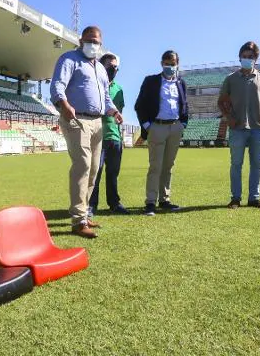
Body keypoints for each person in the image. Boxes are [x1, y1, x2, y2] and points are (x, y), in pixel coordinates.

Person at [50, 26, 123, 238]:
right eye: (90, 40)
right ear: (81, 40)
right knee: (82, 165)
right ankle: (78, 220)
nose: (93, 44)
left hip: (97, 122)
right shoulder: (69, 59)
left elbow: (106, 97)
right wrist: (64, 105)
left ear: (101, 44)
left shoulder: (100, 68)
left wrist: (114, 111)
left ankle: (85, 213)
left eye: (97, 41)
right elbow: (57, 86)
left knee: (93, 169)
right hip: (76, 118)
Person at [218, 41, 260, 209]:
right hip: (237, 129)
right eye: (244, 56)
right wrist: (229, 118)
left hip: (258, 128)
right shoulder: (230, 79)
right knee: (236, 164)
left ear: (256, 59)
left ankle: (254, 198)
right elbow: (221, 102)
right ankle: (235, 198)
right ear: (239, 57)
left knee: (257, 165)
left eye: (251, 57)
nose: (247, 59)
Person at [134, 50, 189, 216]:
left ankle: (164, 200)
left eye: (172, 64)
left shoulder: (181, 83)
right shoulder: (151, 81)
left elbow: (185, 104)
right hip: (157, 127)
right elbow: (140, 104)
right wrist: (147, 125)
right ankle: (150, 202)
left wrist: (183, 123)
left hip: (175, 127)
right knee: (155, 166)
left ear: (177, 64)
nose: (169, 66)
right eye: (166, 63)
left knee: (168, 166)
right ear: (161, 63)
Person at [89, 53, 130, 216]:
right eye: (109, 66)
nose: (112, 69)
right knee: (95, 173)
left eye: (115, 67)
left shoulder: (119, 89)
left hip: (115, 138)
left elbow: (119, 113)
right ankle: (91, 206)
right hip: (98, 136)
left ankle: (114, 203)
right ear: (100, 66)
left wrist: (119, 135)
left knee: (113, 174)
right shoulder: (94, 86)